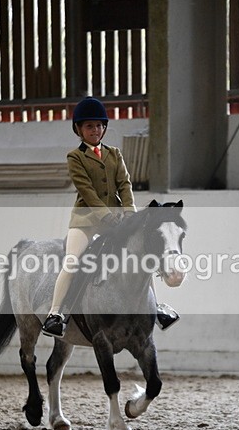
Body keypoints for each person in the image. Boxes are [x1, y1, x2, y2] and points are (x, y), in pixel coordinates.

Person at [41, 96, 180, 338]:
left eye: (99, 126)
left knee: (142, 254)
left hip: (118, 219)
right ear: (79, 129)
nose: (95, 130)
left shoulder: (114, 153)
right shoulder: (75, 157)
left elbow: (124, 184)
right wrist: (106, 217)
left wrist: (129, 213)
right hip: (86, 220)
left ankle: (155, 308)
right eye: (89, 126)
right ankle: (56, 314)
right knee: (72, 261)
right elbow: (87, 191)